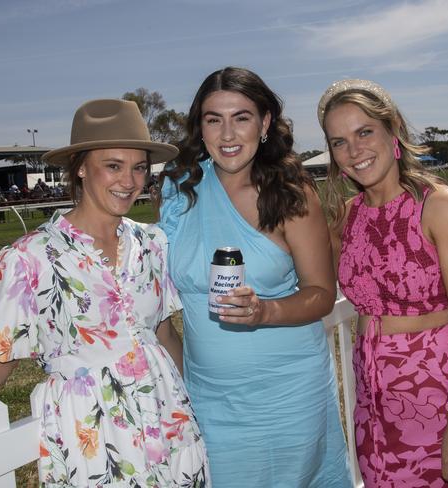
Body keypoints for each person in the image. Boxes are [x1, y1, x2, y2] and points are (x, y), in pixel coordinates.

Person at [0, 99, 210, 487]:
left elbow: (162, 332)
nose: (129, 181)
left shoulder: (152, 243)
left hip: (169, 418)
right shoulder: (30, 258)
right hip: (94, 432)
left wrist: (197, 398)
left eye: (139, 167)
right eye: (113, 166)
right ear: (80, 167)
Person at [159, 66, 352, 487]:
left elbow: (321, 294)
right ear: (200, 127)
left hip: (288, 396)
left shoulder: (291, 193)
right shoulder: (180, 189)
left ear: (264, 123)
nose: (227, 134)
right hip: (208, 396)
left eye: (241, 117)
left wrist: (265, 311)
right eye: (214, 119)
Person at [318, 78, 448, 487]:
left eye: (364, 132)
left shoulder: (440, 206)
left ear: (392, 127)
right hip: (376, 416)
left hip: (443, 403)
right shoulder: (347, 217)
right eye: (339, 142)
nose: (354, 150)